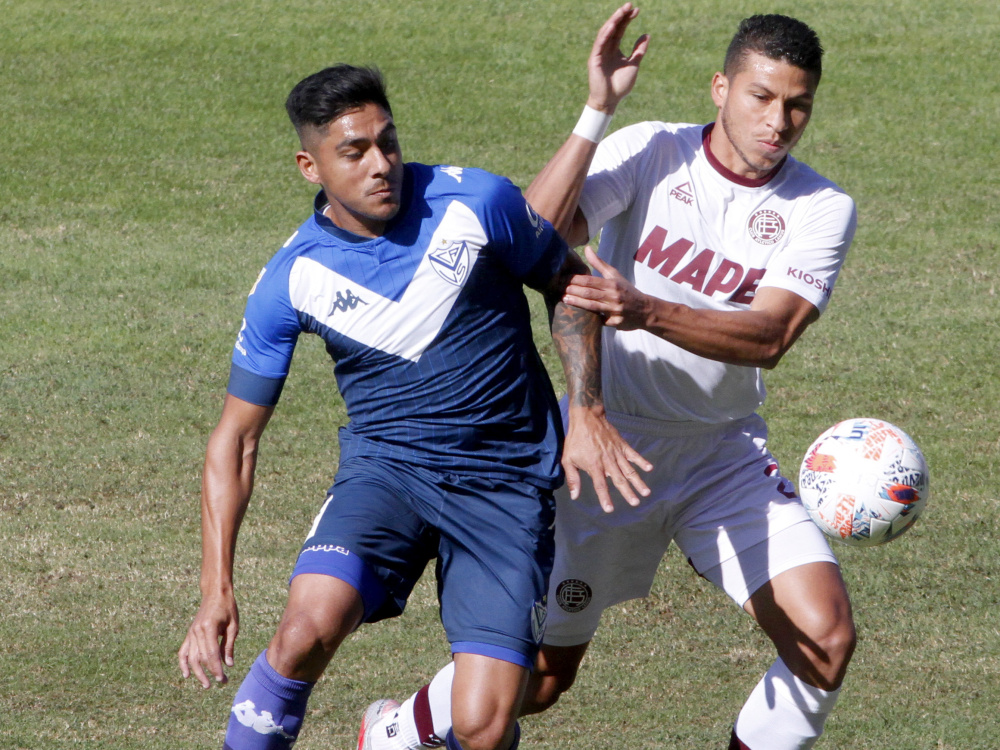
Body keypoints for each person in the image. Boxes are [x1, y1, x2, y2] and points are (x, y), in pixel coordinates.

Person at [359, 5, 858, 750]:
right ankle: (398, 733)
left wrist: (645, 309)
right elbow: (528, 235)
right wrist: (597, 110)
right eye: (762, 97)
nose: (779, 122)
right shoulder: (652, 150)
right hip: (605, 452)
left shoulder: (820, 207)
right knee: (543, 680)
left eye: (798, 105)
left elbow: (771, 335)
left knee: (825, 640)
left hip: (721, 455)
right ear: (721, 88)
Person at [176, 64, 649, 750]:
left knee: (485, 726)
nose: (381, 165)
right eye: (354, 152)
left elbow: (570, 286)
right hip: (388, 472)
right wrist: (215, 588)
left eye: (388, 142)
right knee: (303, 633)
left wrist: (587, 412)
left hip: (505, 482)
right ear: (310, 166)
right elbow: (236, 439)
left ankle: (392, 735)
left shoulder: (476, 201)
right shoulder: (294, 277)